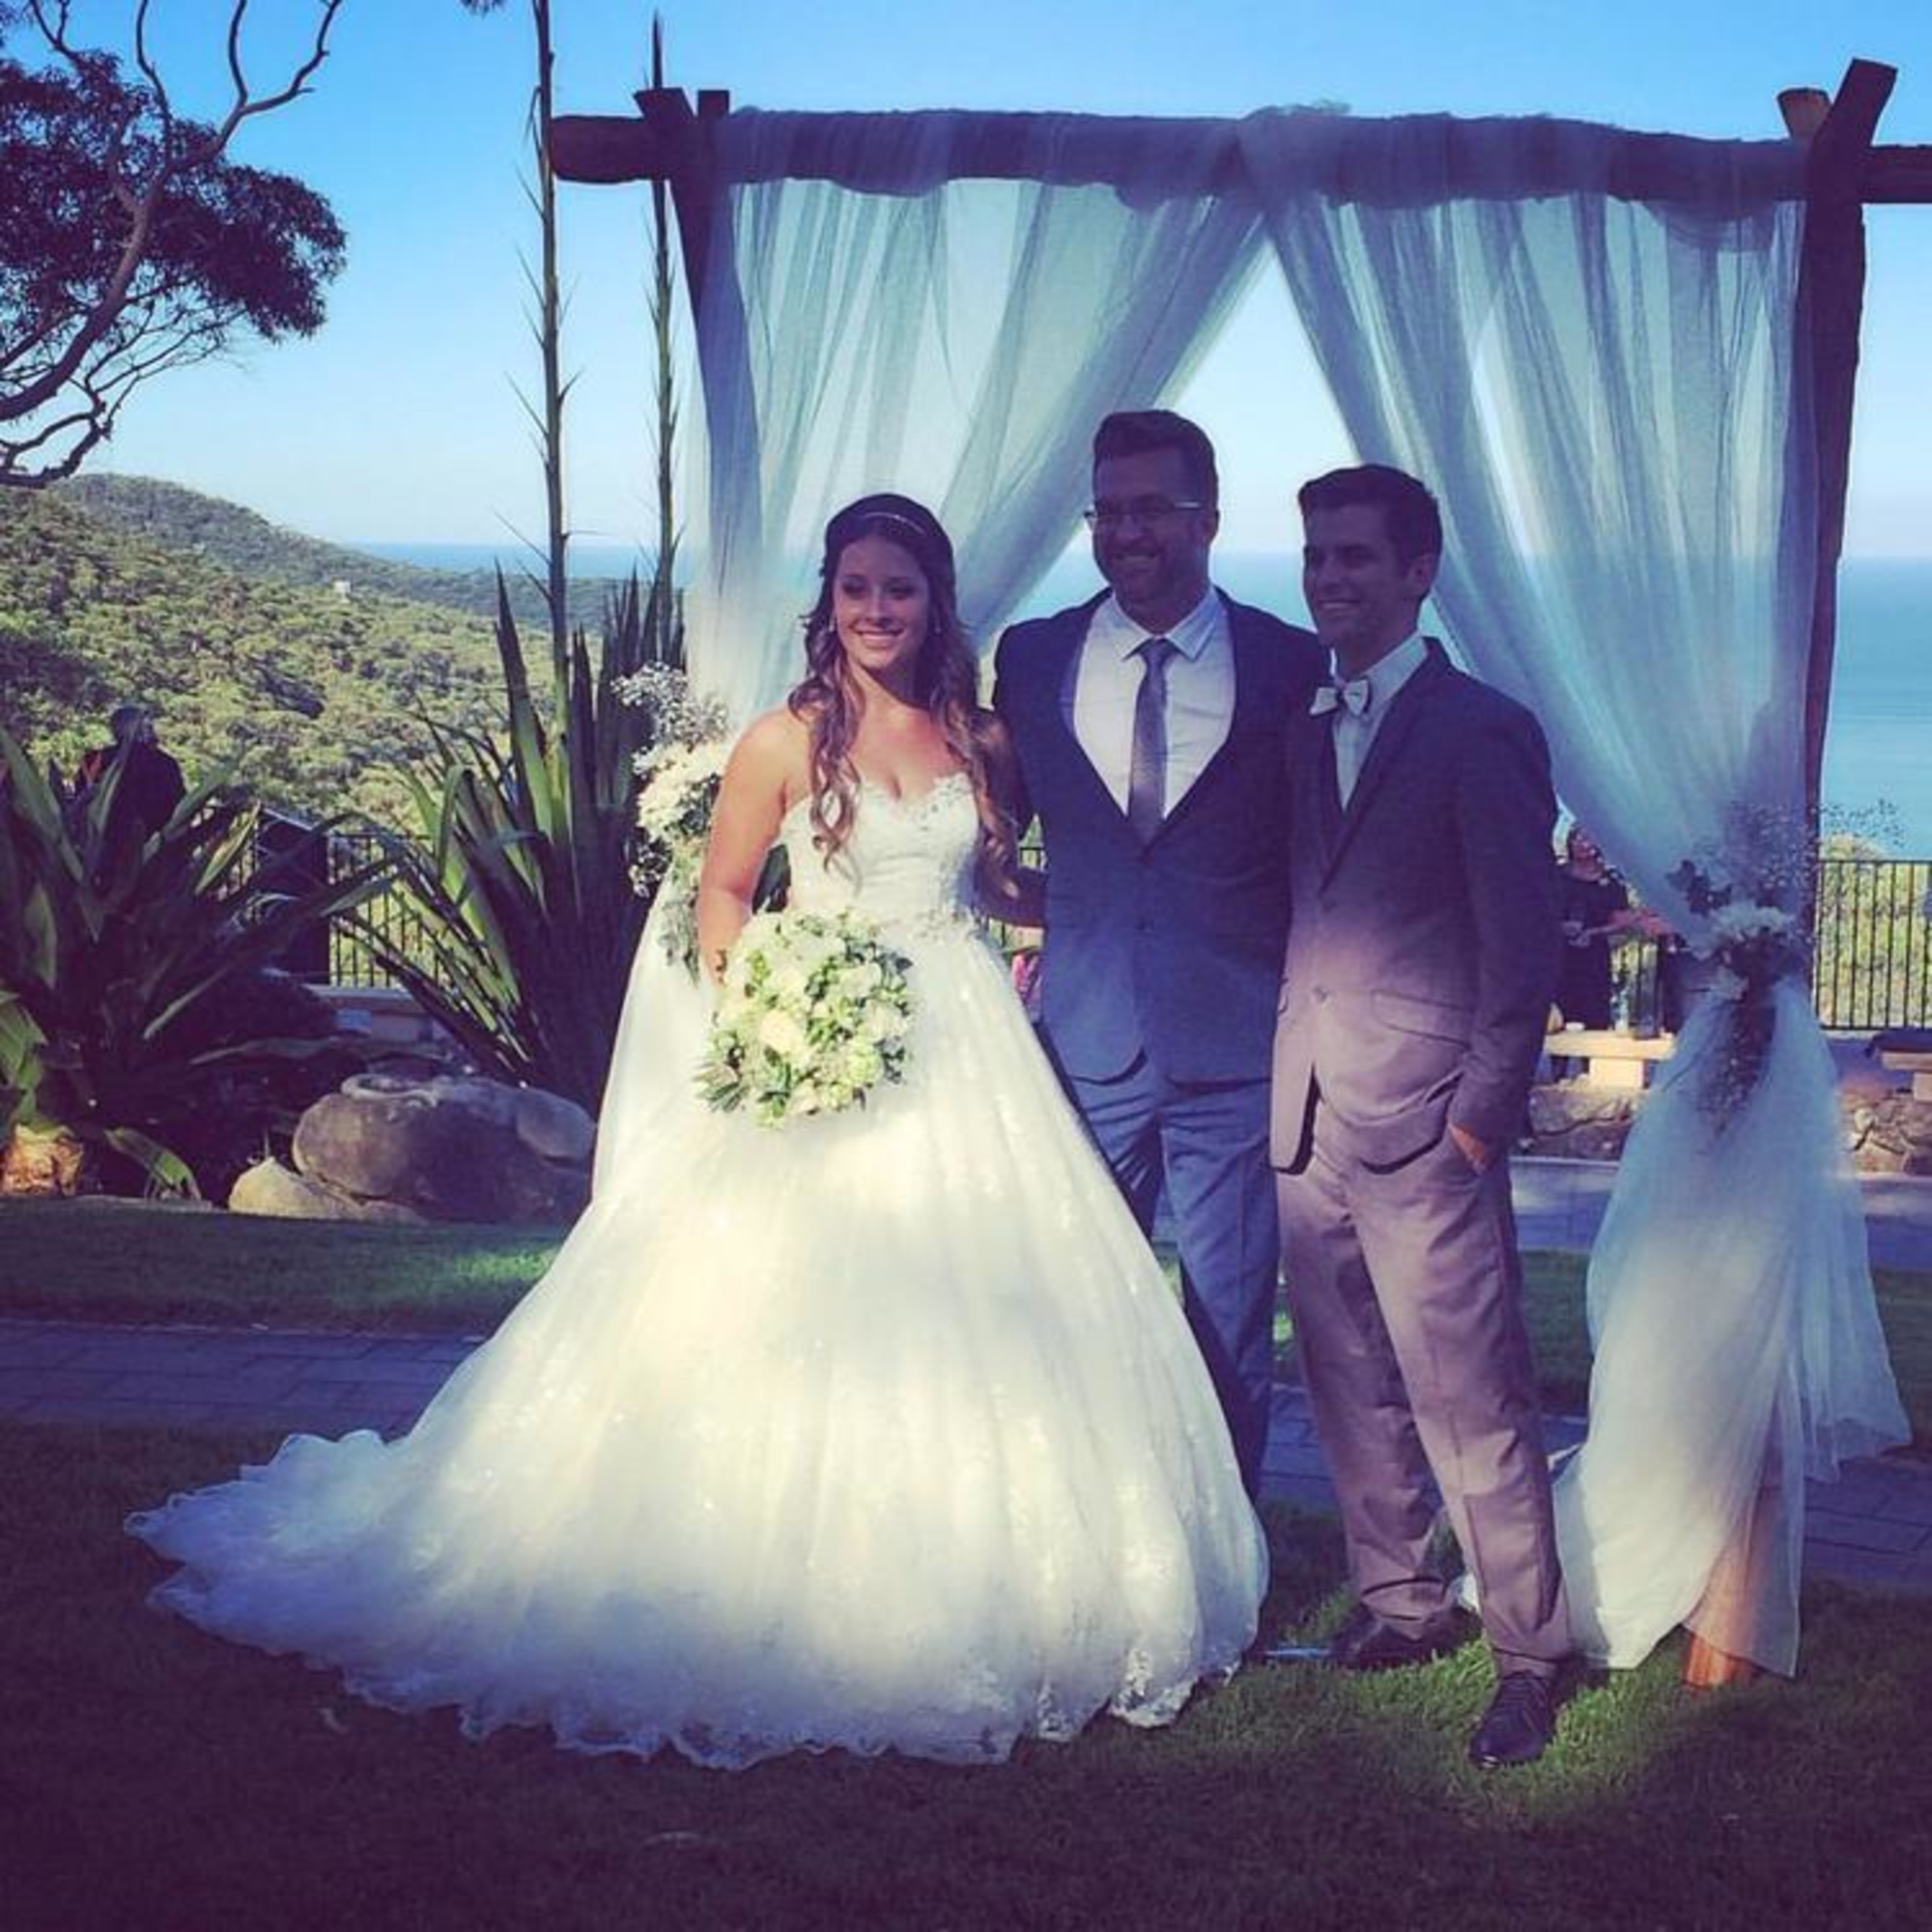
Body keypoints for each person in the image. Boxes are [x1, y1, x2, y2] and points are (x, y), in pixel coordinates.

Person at [128, 494, 1267, 1768]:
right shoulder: (785, 740)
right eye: (857, 588)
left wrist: (1118, 908)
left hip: (968, 1044)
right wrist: (768, 1019)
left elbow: (997, 884)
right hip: (826, 1053)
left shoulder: (977, 736)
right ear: (828, 602)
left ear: (938, 600)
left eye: (901, 587)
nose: (879, 609)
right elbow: (725, 896)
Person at [1271, 464, 1572, 1769]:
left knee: (1472, 1397)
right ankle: (1399, 1604)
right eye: (1316, 556)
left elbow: (1526, 936)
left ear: (1416, 573)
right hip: (1310, 1108)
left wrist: (1482, 1115)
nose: (1331, 576)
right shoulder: (1300, 725)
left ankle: (1528, 1651)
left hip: (1432, 1119)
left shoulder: (1480, 728)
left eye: (1354, 557)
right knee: (1346, 1381)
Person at [993, 411, 1323, 1495]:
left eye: (1152, 508)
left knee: (1228, 1314)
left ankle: (1221, 1542)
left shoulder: (1288, 664)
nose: (1126, 531)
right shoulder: (1031, 655)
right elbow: (992, 824)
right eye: (1108, 509)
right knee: (1073, 1300)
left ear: (1208, 519)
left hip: (1233, 1044)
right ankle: (1081, 1525)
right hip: (1083, 1042)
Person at [1554, 825, 1634, 1033]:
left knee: (1594, 1015)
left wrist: (1593, 933)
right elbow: (1537, 912)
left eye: (1588, 838)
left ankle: (1589, 1064)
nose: (1582, 844)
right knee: (1559, 1015)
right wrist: (1559, 927)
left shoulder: (1612, 881)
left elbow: (1622, 923)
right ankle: (1558, 1065)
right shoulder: (1555, 876)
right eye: (1577, 838)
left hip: (1594, 958)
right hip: (1558, 956)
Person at [74, 702, 186, 838]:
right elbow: (180, 806)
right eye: (149, 726)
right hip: (154, 845)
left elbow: (80, 799)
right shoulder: (165, 763)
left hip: (101, 844)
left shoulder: (94, 760)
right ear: (141, 729)